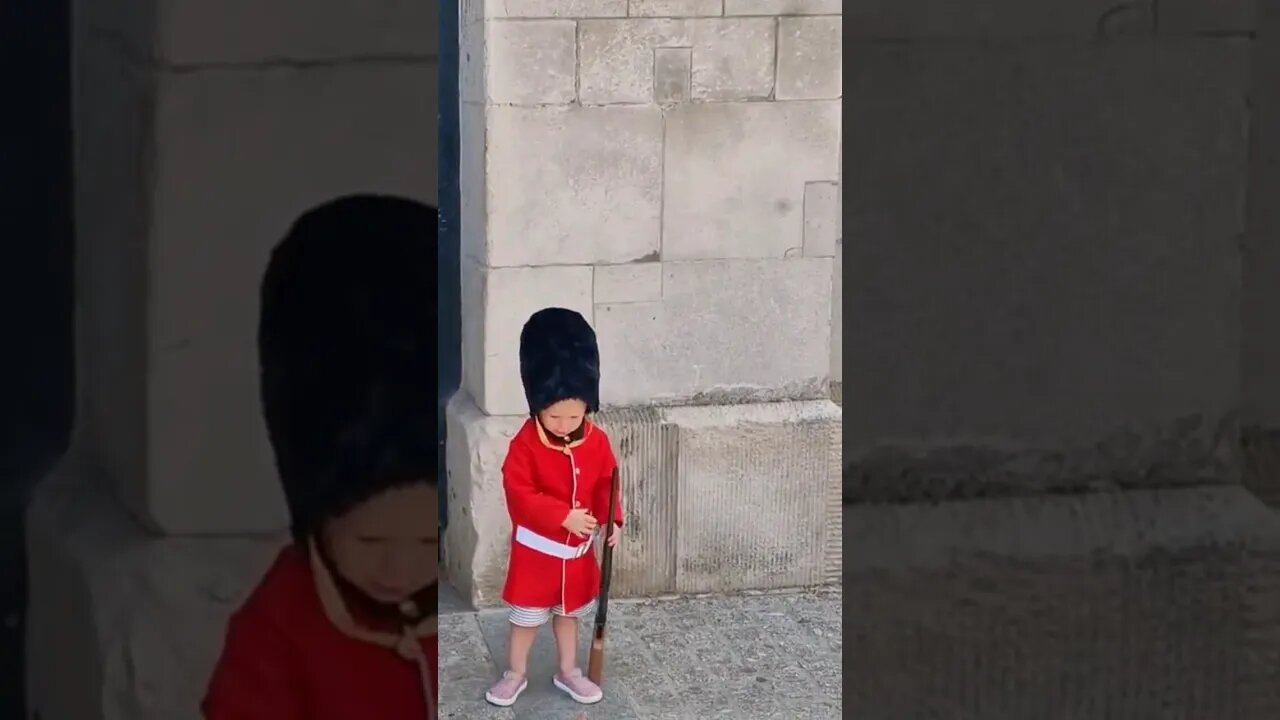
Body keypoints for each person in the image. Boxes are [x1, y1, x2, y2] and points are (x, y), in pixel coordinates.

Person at [202, 195, 439, 719]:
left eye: (431, 541)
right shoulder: (282, 626)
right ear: (319, 519)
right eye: (371, 539)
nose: (400, 567)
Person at [485, 307, 625, 708]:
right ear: (538, 407)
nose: (564, 424)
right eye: (554, 415)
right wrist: (561, 515)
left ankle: (569, 671)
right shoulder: (526, 444)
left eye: (573, 415)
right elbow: (519, 491)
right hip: (538, 556)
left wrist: (613, 519)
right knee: (526, 621)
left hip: (577, 559)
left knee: (569, 617)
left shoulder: (595, 441)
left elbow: (605, 482)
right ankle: (515, 673)